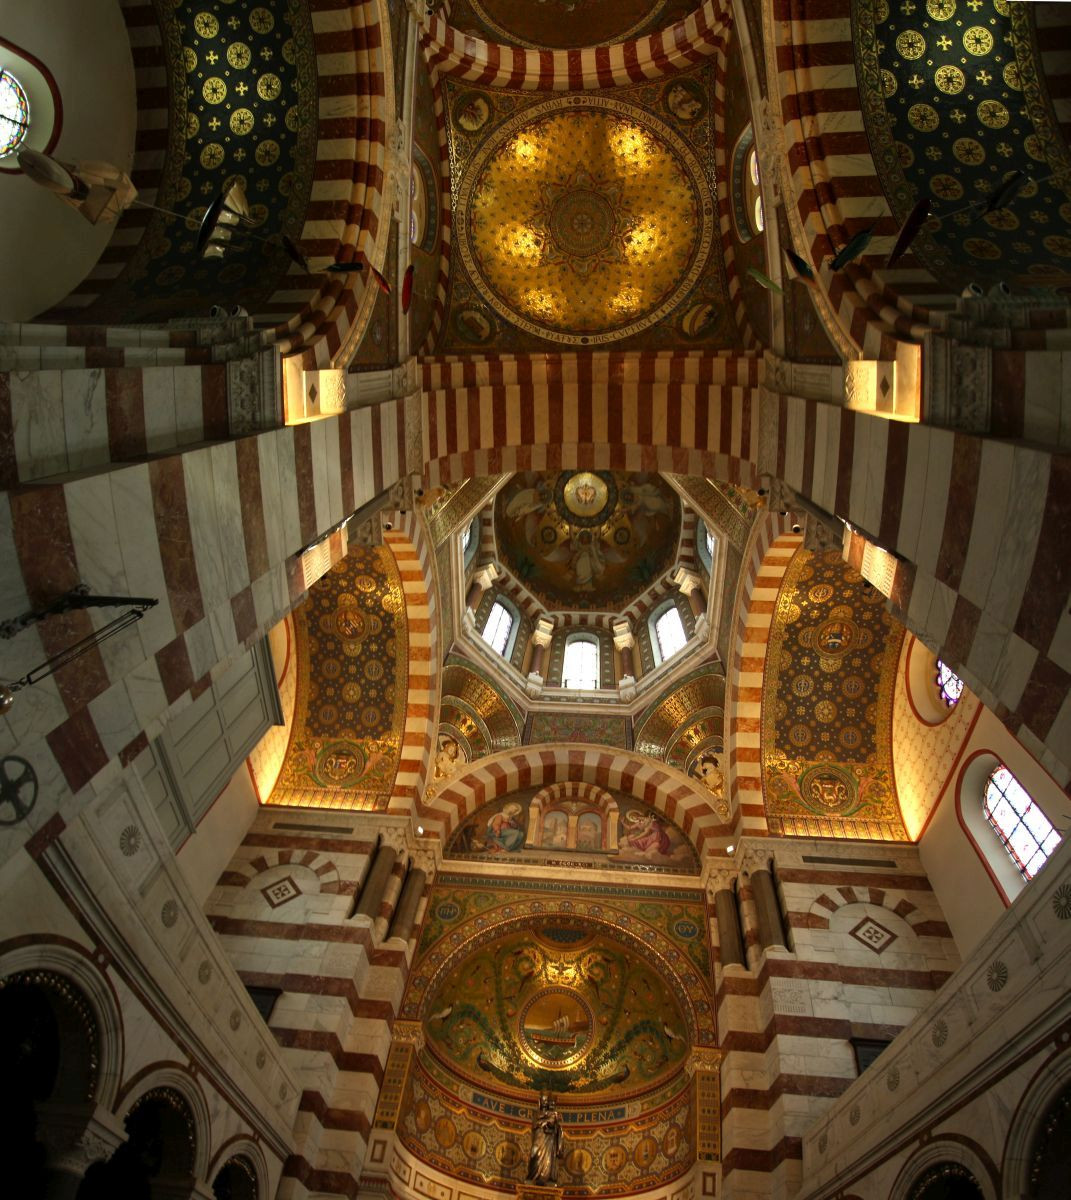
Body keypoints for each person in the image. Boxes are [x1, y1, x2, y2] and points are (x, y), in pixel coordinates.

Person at [526, 1093, 563, 1186]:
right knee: (534, 1155)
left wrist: (549, 1122)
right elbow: (535, 1124)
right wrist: (546, 1121)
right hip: (539, 1137)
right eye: (543, 1101)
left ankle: (546, 1177)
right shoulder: (536, 1113)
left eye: (546, 1101)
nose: (545, 1103)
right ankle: (533, 1176)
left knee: (548, 1158)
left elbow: (554, 1125)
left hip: (549, 1140)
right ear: (540, 1102)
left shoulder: (554, 1114)